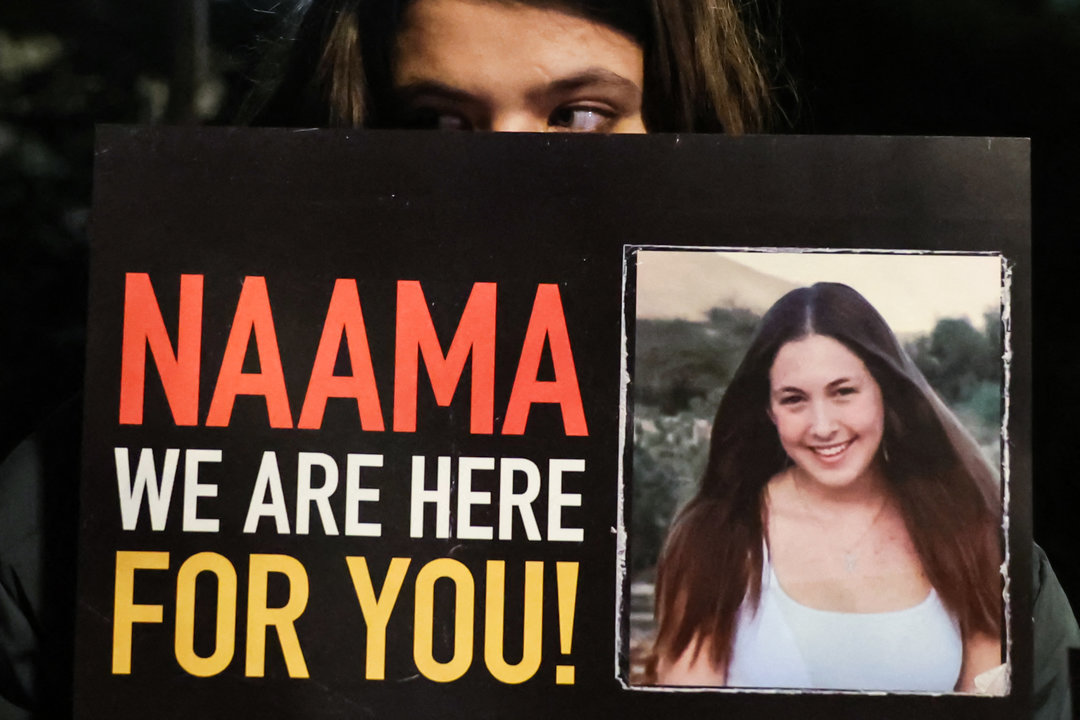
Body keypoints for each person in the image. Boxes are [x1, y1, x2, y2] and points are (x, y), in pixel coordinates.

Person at [0, 0, 1076, 717]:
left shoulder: (978, 550)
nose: (512, 186)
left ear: (691, 136)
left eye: (580, 113)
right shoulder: (89, 497)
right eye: (438, 127)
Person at [651, 282, 1004, 691]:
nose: (822, 426)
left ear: (884, 392)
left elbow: (983, 699)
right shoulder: (713, 536)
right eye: (794, 399)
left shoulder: (961, 525)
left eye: (843, 392)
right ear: (769, 409)